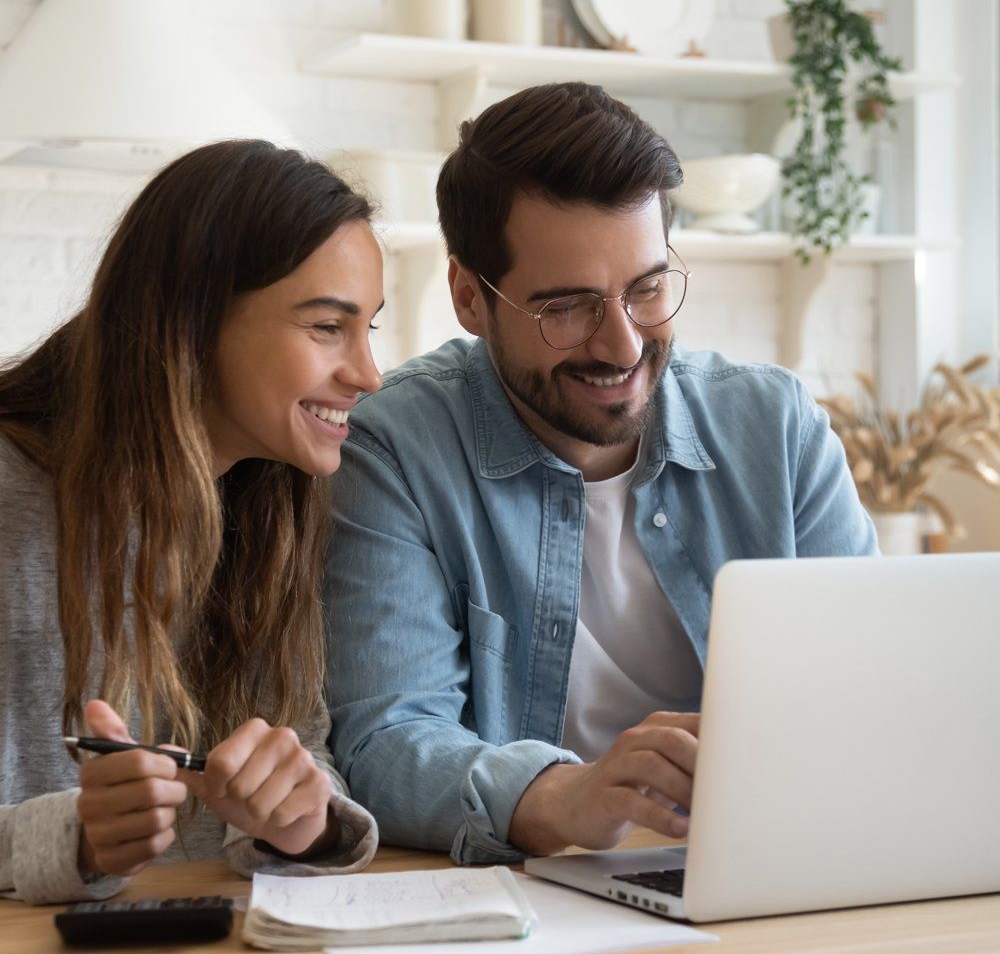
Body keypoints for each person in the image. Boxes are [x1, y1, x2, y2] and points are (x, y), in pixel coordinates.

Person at [324, 83, 877, 865]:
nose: (621, 346)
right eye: (567, 307)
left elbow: (874, 692)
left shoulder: (777, 428)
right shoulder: (395, 452)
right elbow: (386, 742)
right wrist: (568, 797)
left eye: (648, 289)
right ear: (468, 298)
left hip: (770, 866)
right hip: (535, 896)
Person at [0, 140, 384, 903]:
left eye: (369, 326)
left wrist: (301, 821)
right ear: (194, 320)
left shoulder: (272, 499)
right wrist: (70, 838)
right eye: (326, 328)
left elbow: (300, 748)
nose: (369, 373)